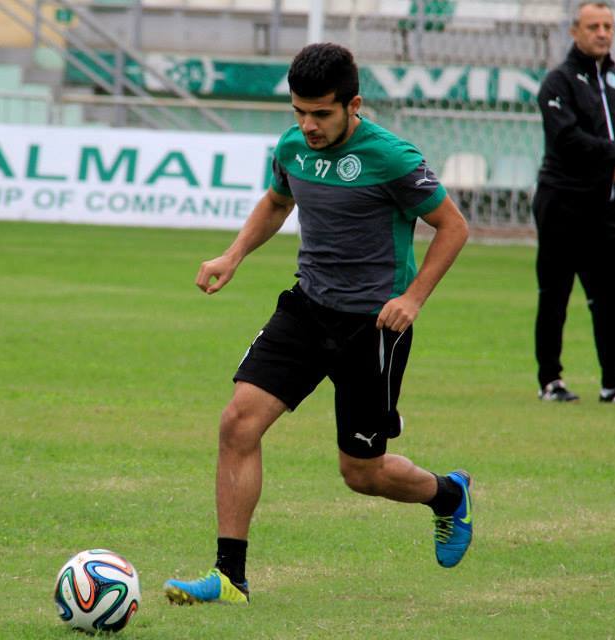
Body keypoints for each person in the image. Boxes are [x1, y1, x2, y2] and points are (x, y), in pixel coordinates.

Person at [163, 42, 472, 605]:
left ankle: (448, 495)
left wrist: (413, 298)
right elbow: (277, 203)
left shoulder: (393, 158)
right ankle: (230, 578)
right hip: (306, 310)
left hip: (373, 327)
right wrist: (233, 254)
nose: (308, 125)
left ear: (354, 105)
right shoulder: (292, 147)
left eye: (321, 114)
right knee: (237, 423)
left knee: (361, 473)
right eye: (299, 112)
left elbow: (453, 226)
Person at [533, 1, 615, 406]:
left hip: (605, 207)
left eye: (608, 26)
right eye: (593, 26)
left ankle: (612, 385)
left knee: (610, 297)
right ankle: (550, 380)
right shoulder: (558, 83)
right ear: (574, 32)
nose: (602, 33)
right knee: (555, 294)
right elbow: (566, 139)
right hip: (562, 204)